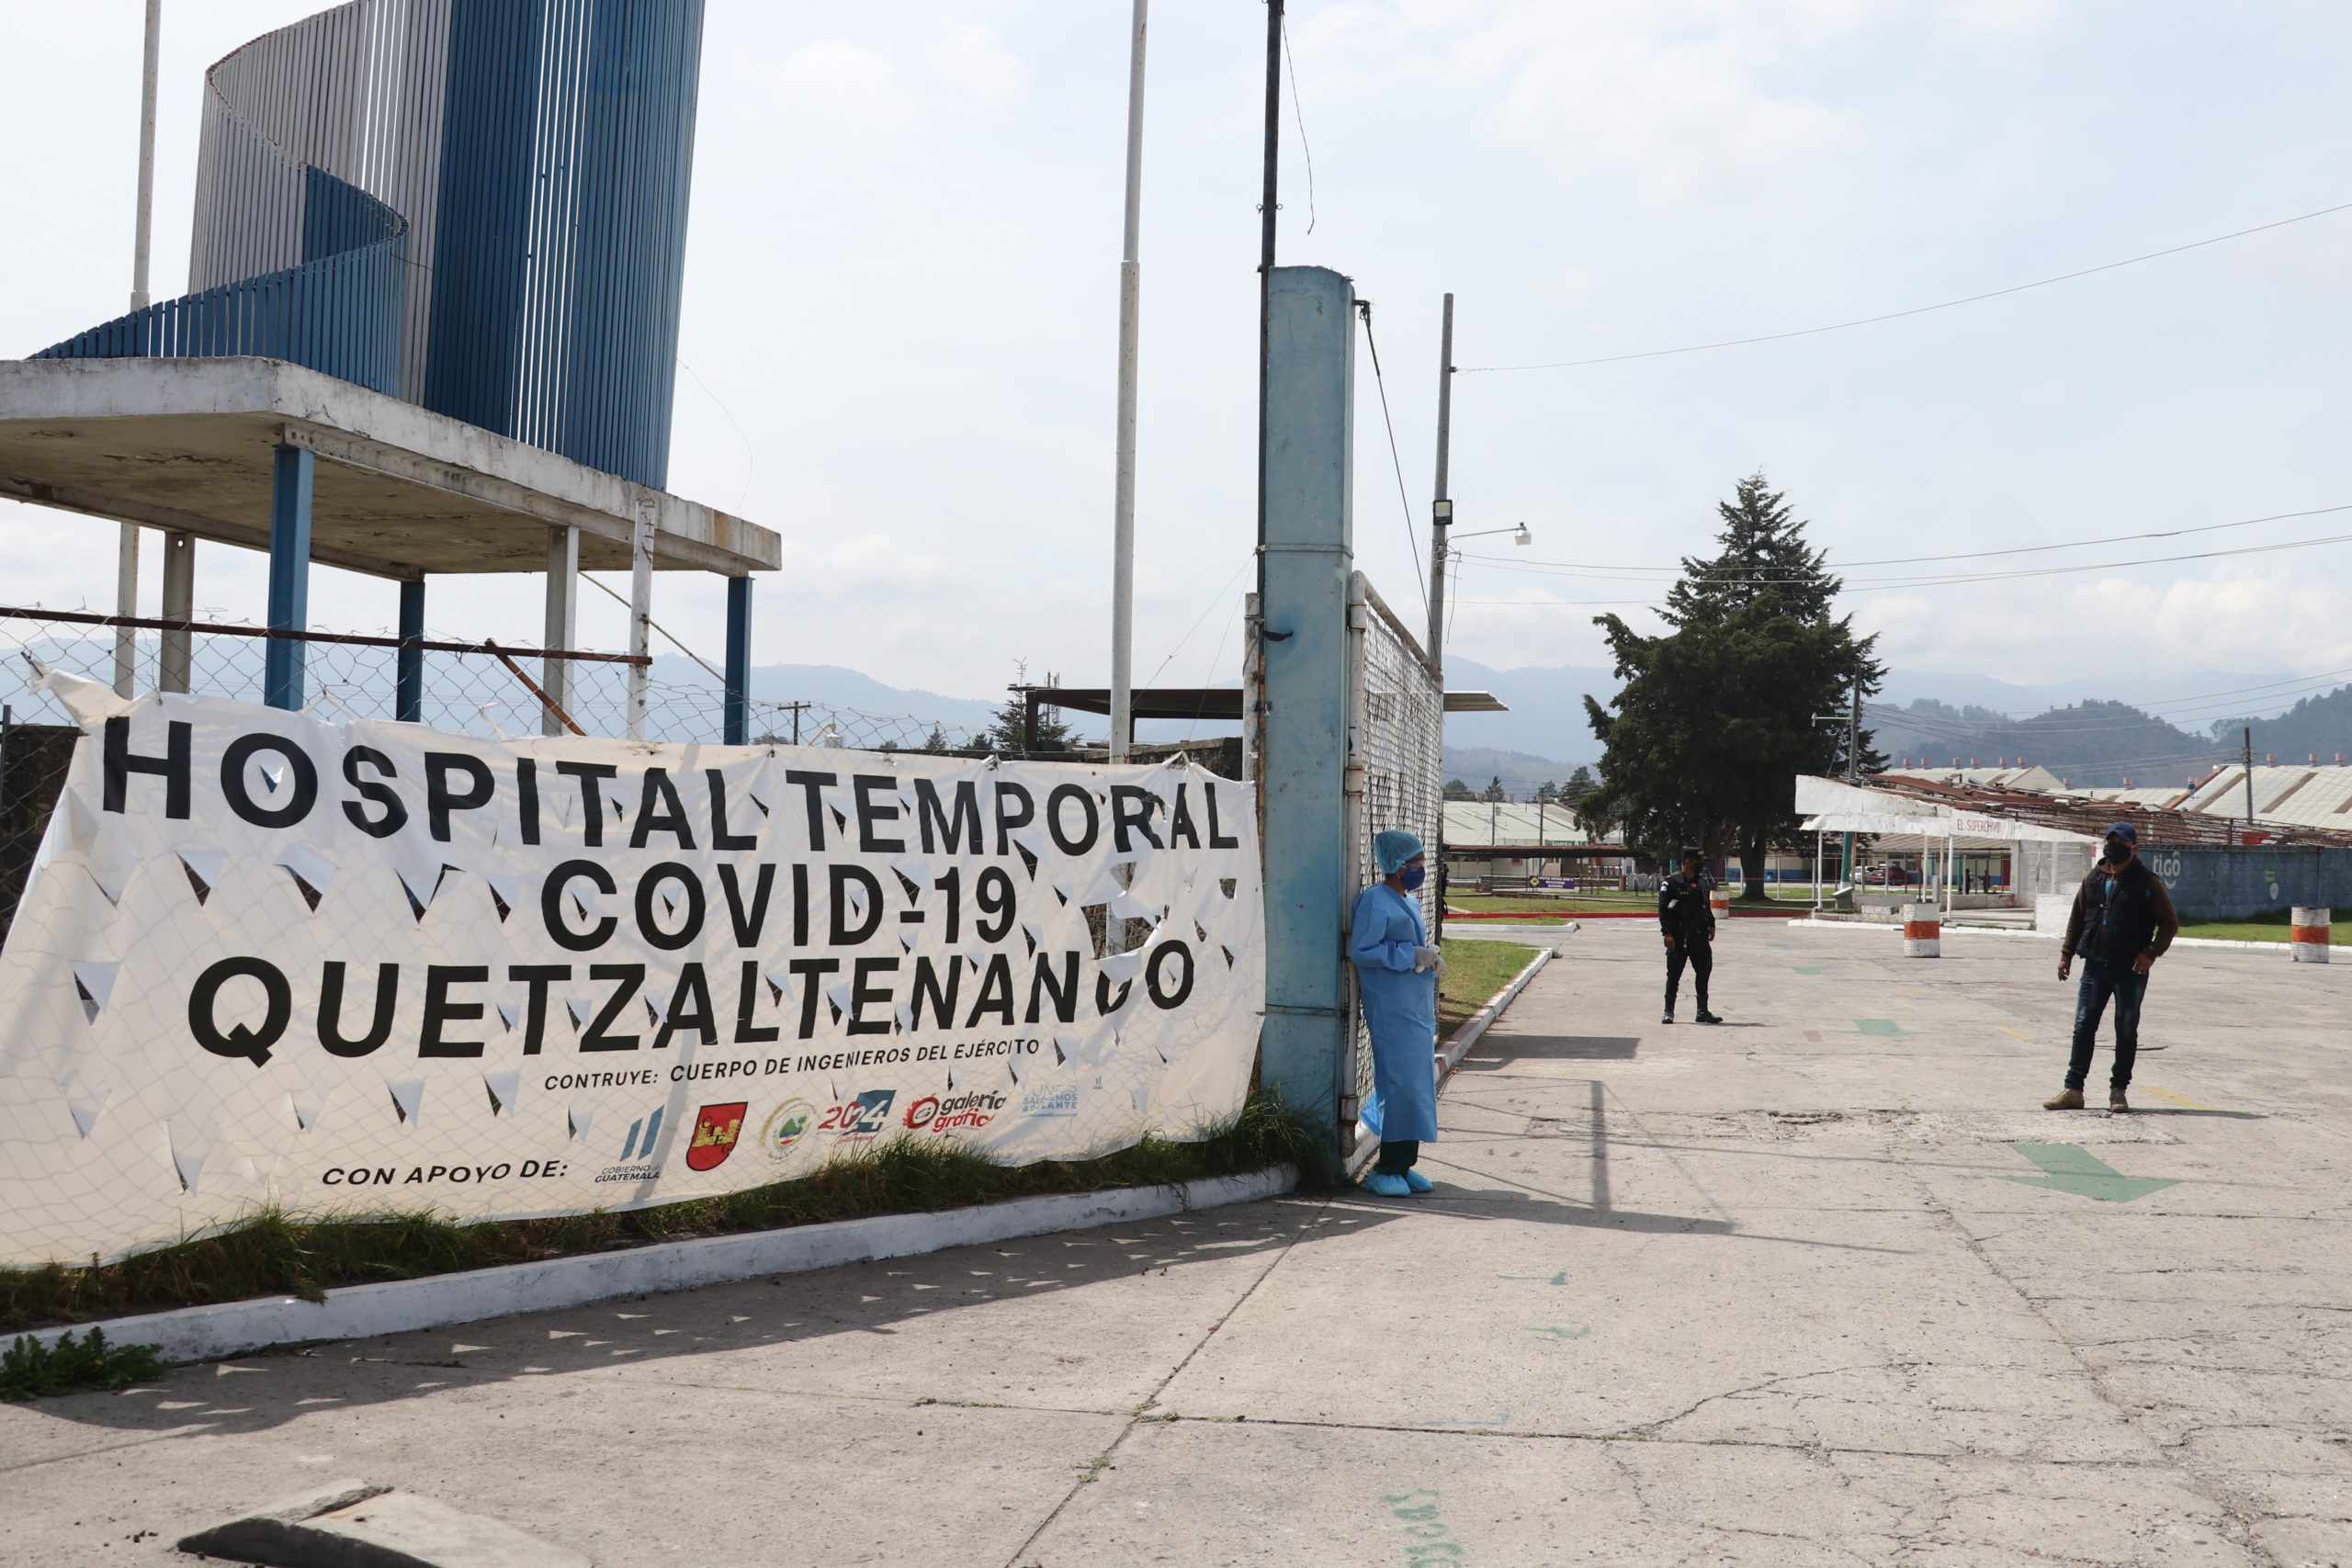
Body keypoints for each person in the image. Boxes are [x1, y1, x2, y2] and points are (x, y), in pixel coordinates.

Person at [2048, 822, 2178, 1113]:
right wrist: (2066, 955)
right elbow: (2077, 919)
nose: (2113, 846)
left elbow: (2170, 923)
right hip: (2095, 967)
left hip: (2130, 970)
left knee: (2126, 1030)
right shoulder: (2094, 879)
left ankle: (2118, 1091)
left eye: (2121, 842)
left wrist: (2150, 954)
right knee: (2083, 1027)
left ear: (2135, 848)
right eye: (2110, 840)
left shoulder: (2147, 882)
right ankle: (2073, 1090)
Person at [1350, 829, 1442, 1198]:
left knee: (1417, 1087)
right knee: (1399, 1086)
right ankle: (1385, 1168)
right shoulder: (1375, 901)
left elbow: (1409, 945)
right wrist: (1410, 956)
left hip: (1413, 1007)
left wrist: (1429, 957)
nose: (1421, 867)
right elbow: (1364, 951)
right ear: (1398, 866)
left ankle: (1404, 1165)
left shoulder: (1407, 900)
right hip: (1390, 1007)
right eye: (1416, 862)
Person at [1659, 846, 1722, 1024]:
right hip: (1678, 936)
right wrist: (1667, 933)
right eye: (1698, 862)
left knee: (1704, 971)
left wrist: (1711, 924)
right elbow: (1663, 910)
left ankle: (1702, 1011)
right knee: (1674, 974)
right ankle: (1668, 1011)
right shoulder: (1671, 883)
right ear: (1687, 862)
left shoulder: (1702, 882)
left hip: (1699, 935)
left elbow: (1706, 906)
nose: (1701, 866)